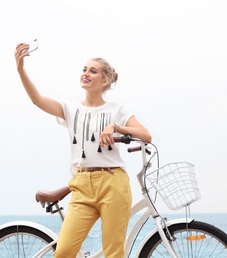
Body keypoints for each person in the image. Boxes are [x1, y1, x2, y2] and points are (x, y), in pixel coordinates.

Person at [14, 43, 152, 258]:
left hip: (112, 182)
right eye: (84, 69)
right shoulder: (71, 110)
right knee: (64, 252)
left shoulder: (117, 110)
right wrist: (20, 69)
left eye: (93, 71)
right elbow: (38, 100)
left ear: (104, 80)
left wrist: (116, 127)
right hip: (82, 185)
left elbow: (145, 135)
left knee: (114, 253)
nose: (86, 73)